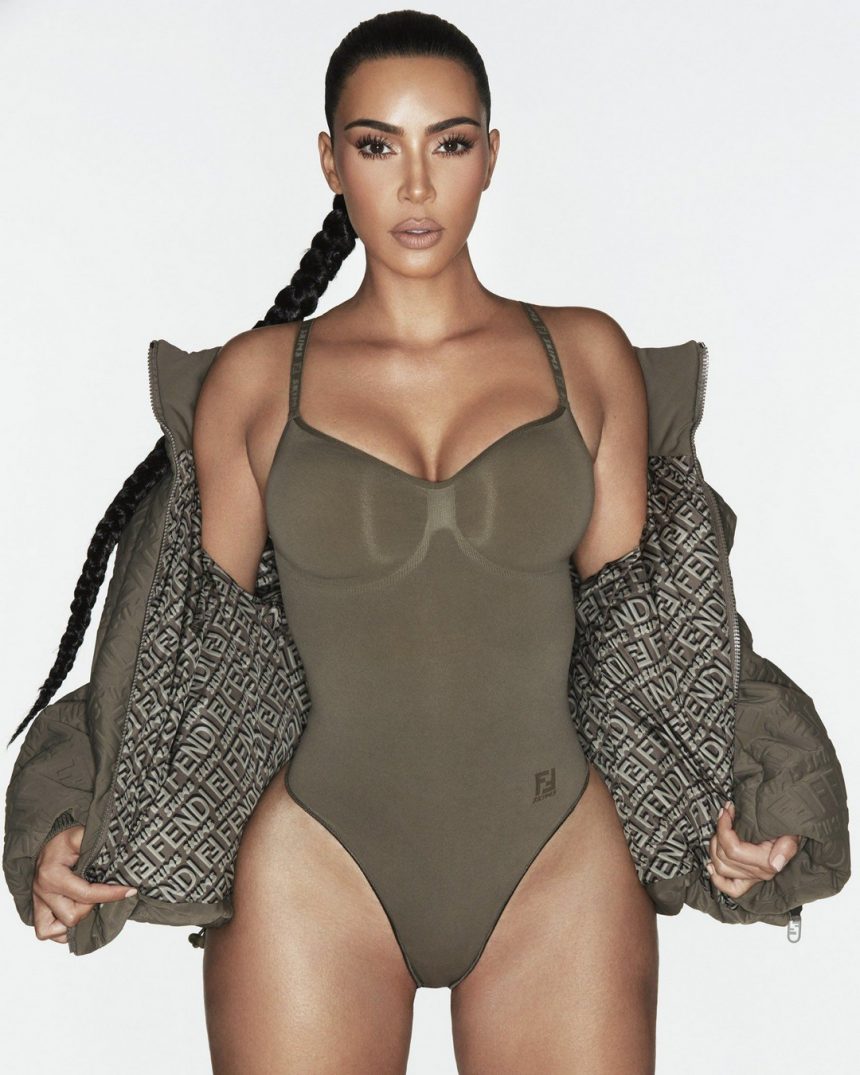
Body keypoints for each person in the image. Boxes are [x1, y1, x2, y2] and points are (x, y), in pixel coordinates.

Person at [13, 10, 833, 1075]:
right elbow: (179, 651)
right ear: (330, 162)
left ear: (490, 155)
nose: (413, 185)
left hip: (560, 865)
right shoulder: (255, 383)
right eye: (375, 145)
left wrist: (755, 801)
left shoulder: (586, 358)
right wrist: (62, 818)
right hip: (312, 866)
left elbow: (659, 639)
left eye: (447, 143)